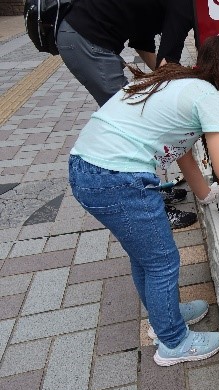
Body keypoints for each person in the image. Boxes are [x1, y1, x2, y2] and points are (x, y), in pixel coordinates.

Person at [68, 35, 219, 366]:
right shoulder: (212, 98)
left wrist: (204, 194)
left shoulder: (181, 81)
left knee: (146, 257)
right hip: (118, 179)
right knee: (162, 261)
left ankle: (165, 315)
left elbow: (182, 147)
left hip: (87, 168)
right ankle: (172, 341)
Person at [56, 0, 197, 228]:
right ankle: (150, 206)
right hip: (87, 40)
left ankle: (150, 190)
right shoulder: (186, 4)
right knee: (135, 125)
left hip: (83, 36)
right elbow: (166, 63)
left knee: (139, 116)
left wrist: (161, 80)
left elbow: (142, 41)